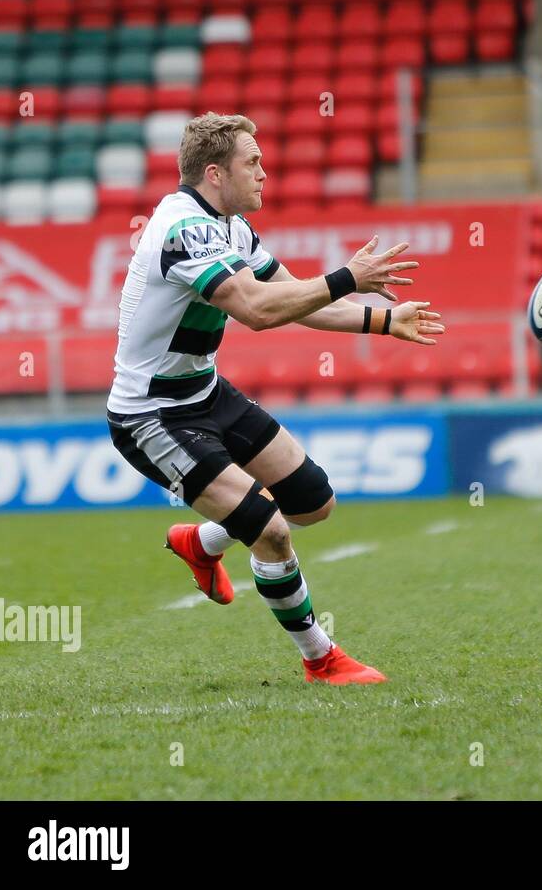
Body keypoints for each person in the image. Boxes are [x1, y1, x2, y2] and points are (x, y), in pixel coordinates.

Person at [106, 113, 445, 684]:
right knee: (270, 530)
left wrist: (385, 321)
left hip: (205, 393)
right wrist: (345, 276)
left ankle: (202, 543)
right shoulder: (183, 228)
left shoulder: (231, 227)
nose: (265, 172)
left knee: (313, 502)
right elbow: (257, 311)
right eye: (252, 162)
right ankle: (321, 658)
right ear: (215, 173)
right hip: (152, 414)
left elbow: (293, 299)